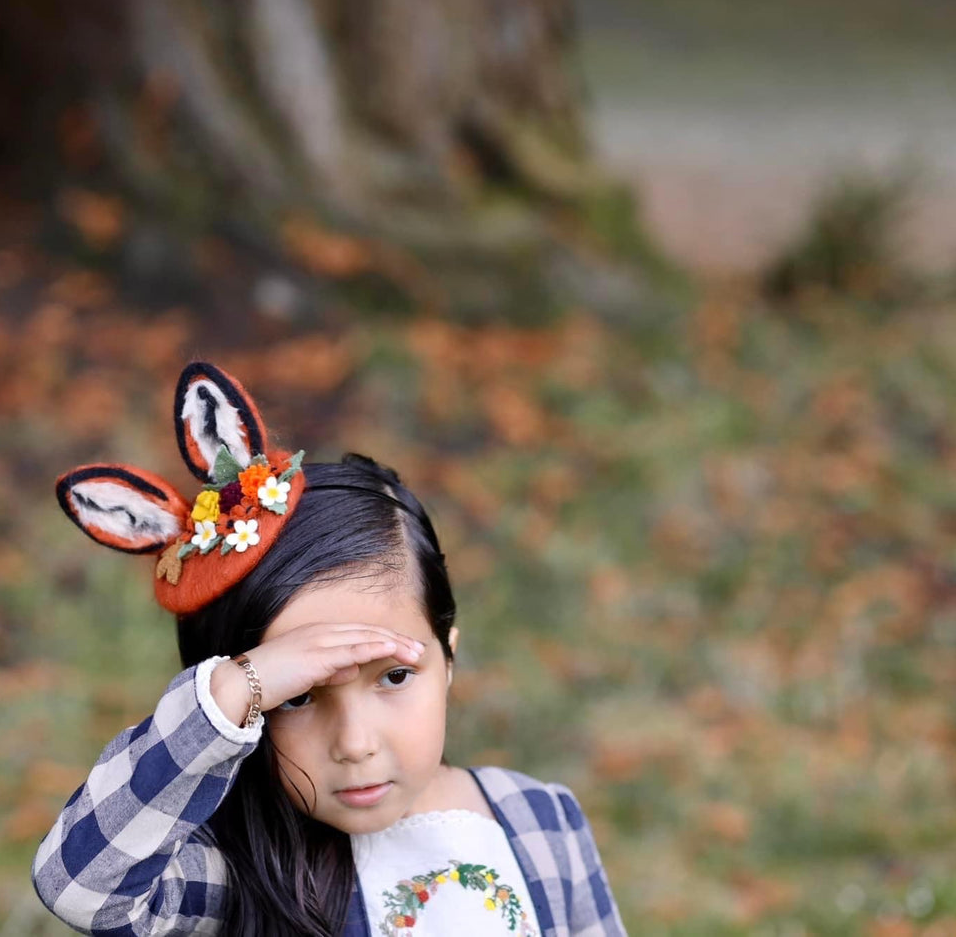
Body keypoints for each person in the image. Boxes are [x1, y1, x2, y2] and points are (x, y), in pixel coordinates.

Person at [32, 361, 626, 936]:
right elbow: (83, 889)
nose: (355, 744)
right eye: (298, 698)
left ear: (448, 657)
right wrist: (236, 688)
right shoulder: (241, 875)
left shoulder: (542, 822)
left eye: (393, 677)